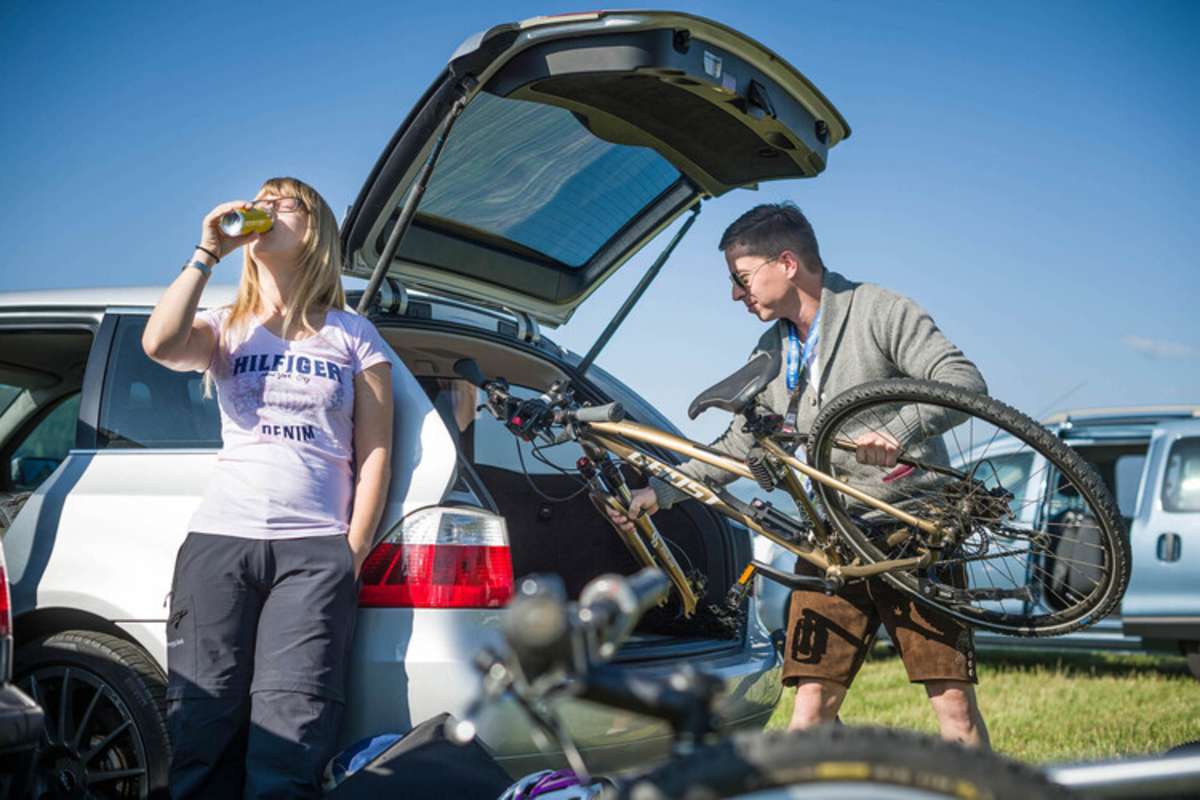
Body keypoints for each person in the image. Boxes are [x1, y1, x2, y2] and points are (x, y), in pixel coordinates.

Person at [608, 202, 991, 748]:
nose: (736, 296)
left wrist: (900, 429)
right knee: (809, 709)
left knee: (954, 713)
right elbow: (740, 443)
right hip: (832, 541)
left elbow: (964, 381)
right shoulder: (773, 348)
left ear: (786, 263)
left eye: (742, 280)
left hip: (913, 529)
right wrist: (659, 491)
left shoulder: (878, 310)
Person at [143, 176, 395, 796]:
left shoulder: (353, 335)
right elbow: (159, 343)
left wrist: (350, 552)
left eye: (283, 201)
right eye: (258, 200)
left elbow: (377, 450)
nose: (263, 209)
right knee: (202, 724)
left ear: (315, 230)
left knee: (292, 734)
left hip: (313, 554)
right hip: (219, 546)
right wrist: (207, 253)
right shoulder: (227, 324)